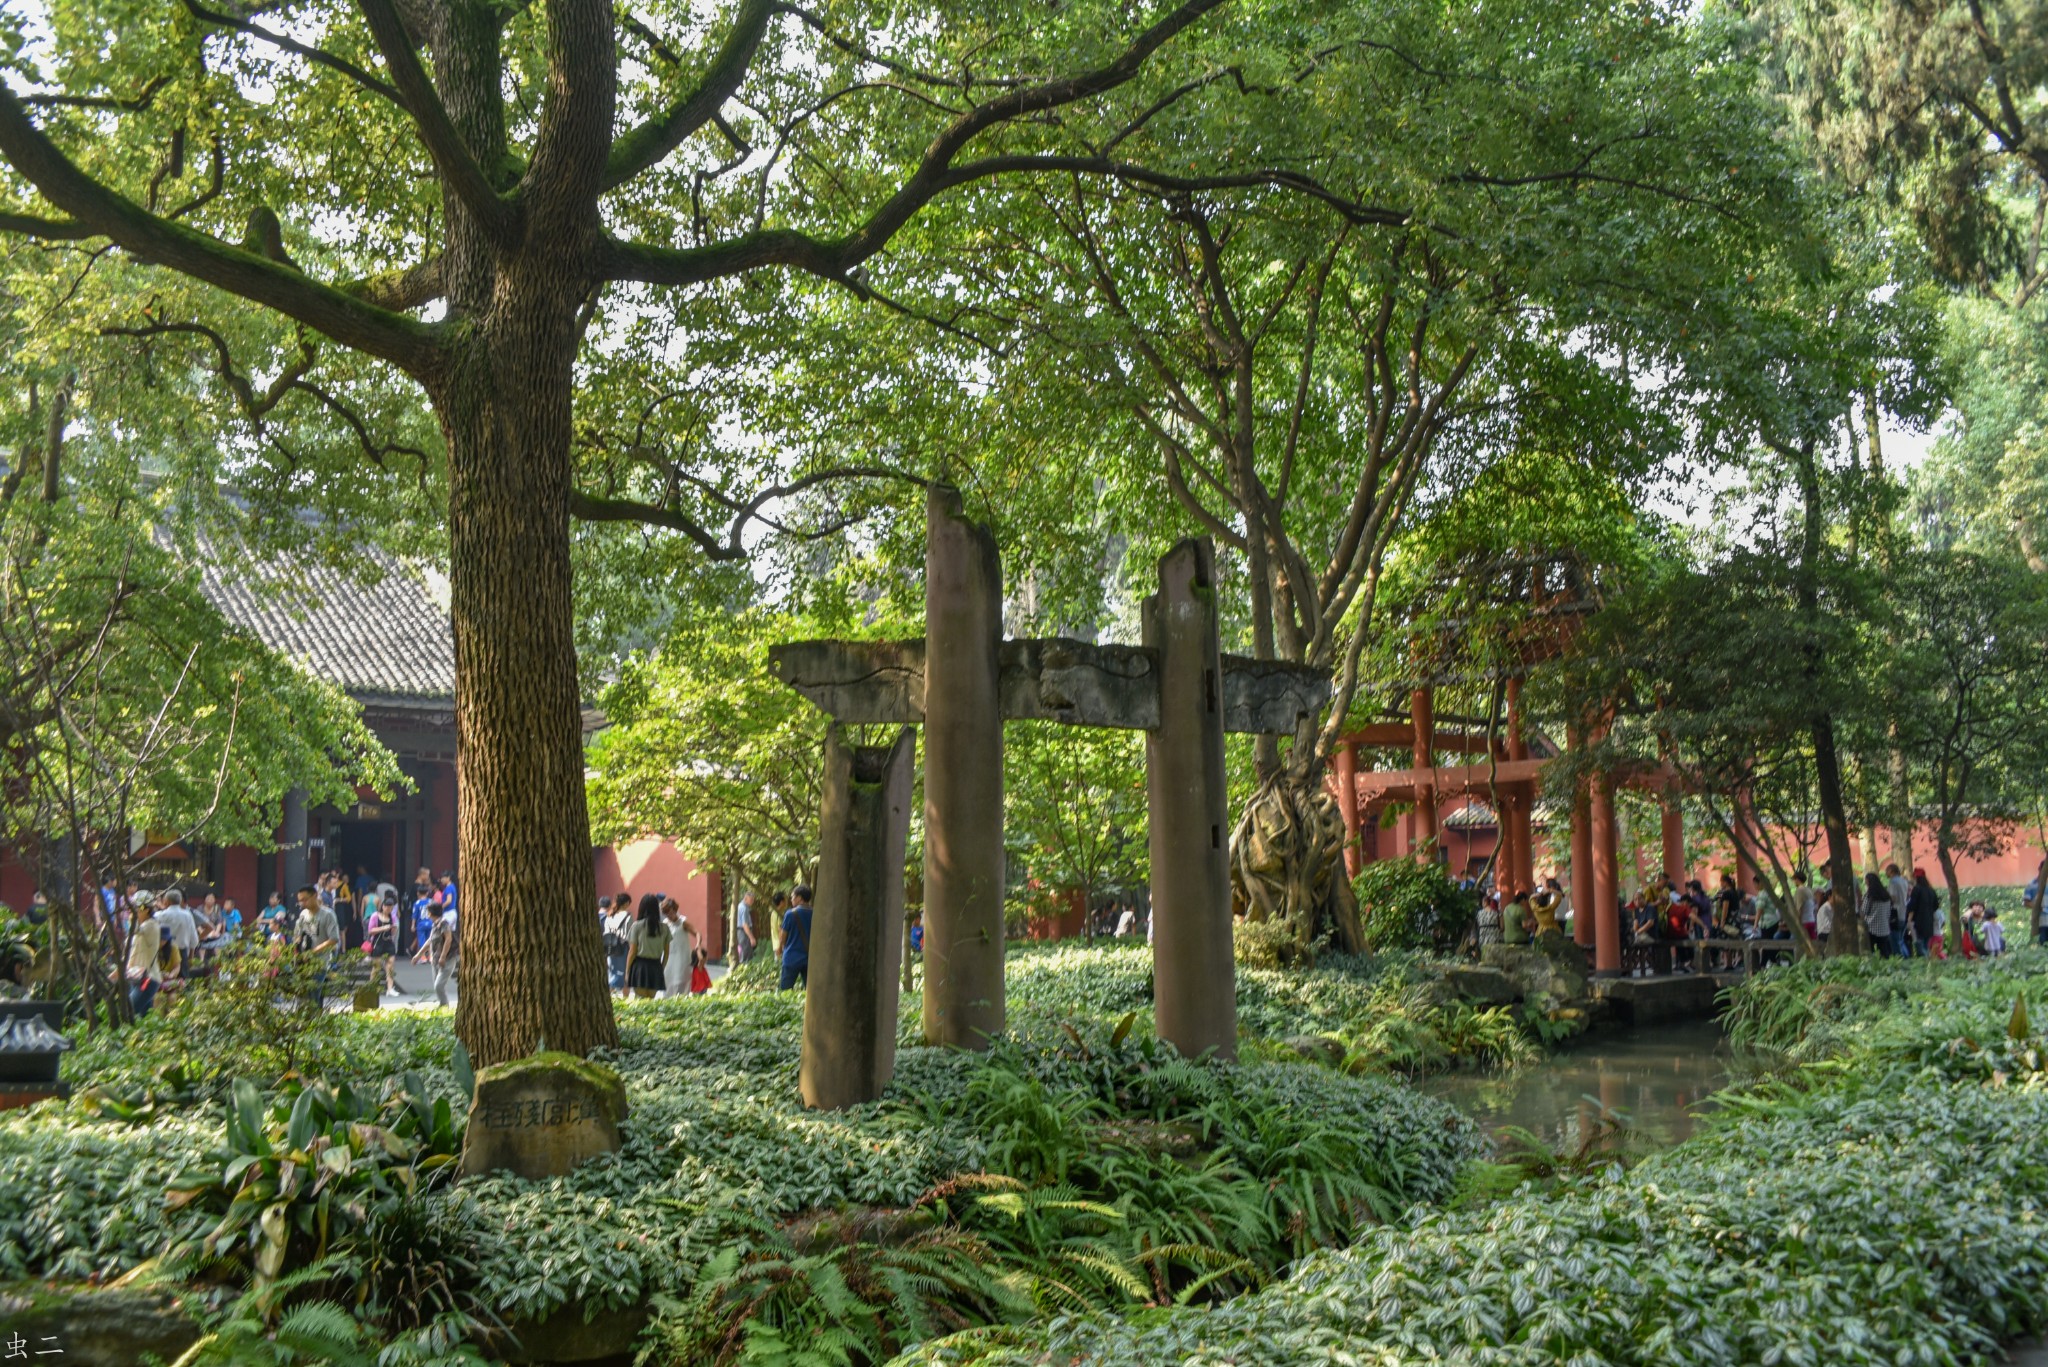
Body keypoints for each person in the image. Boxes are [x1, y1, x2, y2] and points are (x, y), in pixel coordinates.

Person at [413, 901, 459, 1006]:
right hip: (435, 959)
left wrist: (443, 957)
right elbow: (430, 940)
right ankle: (442, 1005)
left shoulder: (443, 923)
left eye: (428, 911)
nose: (427, 913)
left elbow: (448, 939)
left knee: (438, 986)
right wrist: (418, 955)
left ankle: (444, 1005)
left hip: (446, 959)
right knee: (437, 985)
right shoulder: (435, 924)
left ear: (431, 912)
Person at [125, 892, 163, 1018]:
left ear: (147, 909)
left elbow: (134, 930)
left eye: (137, 908)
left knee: (127, 1011)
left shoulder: (151, 925)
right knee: (143, 1019)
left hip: (148, 978)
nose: (133, 911)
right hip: (135, 977)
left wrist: (131, 918)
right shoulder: (141, 926)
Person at [626, 893, 670, 1000]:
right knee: (650, 1002)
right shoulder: (664, 928)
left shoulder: (637, 926)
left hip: (640, 967)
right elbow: (667, 952)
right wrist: (661, 968)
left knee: (640, 1002)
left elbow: (632, 951)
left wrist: (627, 971)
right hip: (655, 966)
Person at [363, 892, 399, 994]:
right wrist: (383, 928)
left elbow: (393, 932)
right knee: (376, 966)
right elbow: (370, 931)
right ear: (383, 906)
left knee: (390, 965)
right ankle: (372, 987)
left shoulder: (392, 917)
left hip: (388, 942)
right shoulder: (375, 916)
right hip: (378, 942)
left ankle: (390, 988)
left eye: (391, 908)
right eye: (387, 908)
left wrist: (393, 928)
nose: (389, 910)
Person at [780, 885, 814, 991]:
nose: (791, 899)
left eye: (792, 896)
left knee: (785, 991)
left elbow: (782, 937)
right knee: (810, 991)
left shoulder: (790, 914)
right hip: (810, 958)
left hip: (791, 957)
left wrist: (782, 948)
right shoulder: (815, 913)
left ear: (799, 898)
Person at [661, 897, 693, 998]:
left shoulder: (683, 922)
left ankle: (681, 1002)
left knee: (681, 981)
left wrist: (698, 945)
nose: (669, 916)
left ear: (675, 910)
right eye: (666, 914)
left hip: (682, 957)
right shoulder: (664, 924)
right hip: (669, 957)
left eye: (670, 913)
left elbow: (696, 933)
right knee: (668, 980)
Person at [603, 892, 635, 993]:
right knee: (625, 974)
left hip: (610, 948)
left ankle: (610, 996)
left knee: (612, 973)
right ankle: (625, 1000)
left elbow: (606, 933)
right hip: (623, 948)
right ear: (626, 903)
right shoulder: (628, 916)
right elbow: (630, 935)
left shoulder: (609, 915)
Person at [1907, 869, 1939, 956]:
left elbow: (1912, 905)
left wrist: (1908, 911)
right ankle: (1927, 959)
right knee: (1926, 943)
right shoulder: (1931, 890)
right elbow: (1936, 905)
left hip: (1919, 920)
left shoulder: (1916, 889)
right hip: (1929, 920)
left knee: (1919, 943)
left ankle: (1925, 958)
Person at [1863, 872, 1896, 957]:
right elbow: (1889, 912)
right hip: (1884, 928)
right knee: (1884, 951)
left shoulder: (1869, 896)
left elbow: (1865, 910)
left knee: (1871, 951)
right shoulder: (1886, 895)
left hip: (1871, 928)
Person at [733, 892, 756, 965]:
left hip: (741, 932)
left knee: (744, 953)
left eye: (753, 900)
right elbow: (745, 925)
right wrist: (751, 938)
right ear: (745, 898)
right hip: (743, 933)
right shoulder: (744, 908)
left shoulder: (741, 906)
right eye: (751, 900)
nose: (752, 902)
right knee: (745, 954)